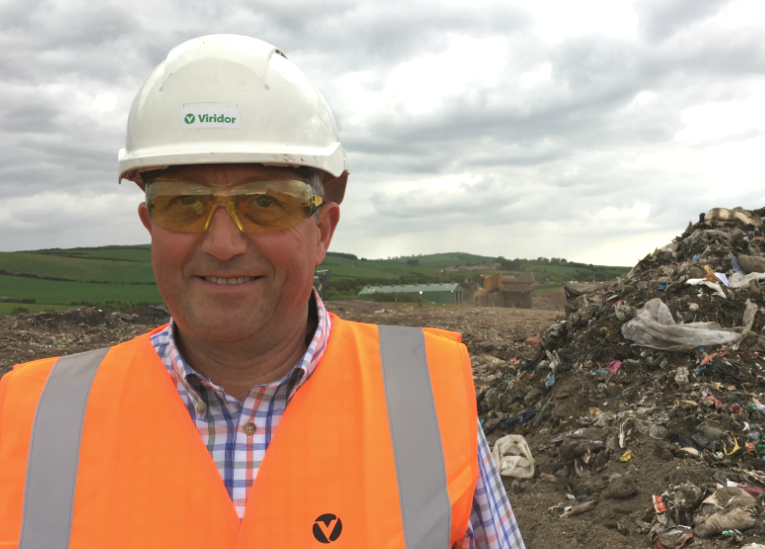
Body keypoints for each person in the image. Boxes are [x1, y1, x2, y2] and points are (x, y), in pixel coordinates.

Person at [0, 34, 524, 549]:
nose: (223, 243)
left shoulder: (424, 405)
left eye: (266, 203)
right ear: (149, 224)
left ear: (323, 232)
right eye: (185, 203)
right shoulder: (33, 419)